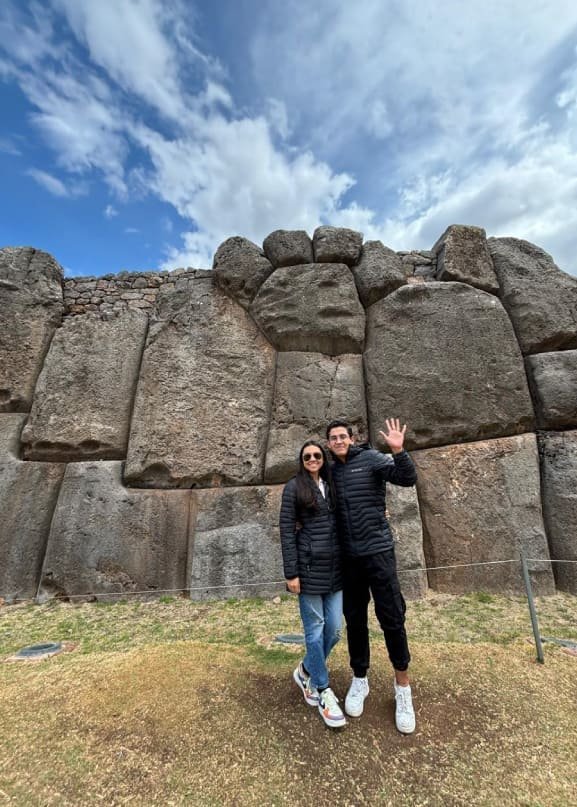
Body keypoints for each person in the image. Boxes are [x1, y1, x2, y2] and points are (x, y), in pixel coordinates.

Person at [326, 417, 417, 734]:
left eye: (343, 436)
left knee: (391, 616)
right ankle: (360, 678)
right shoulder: (329, 471)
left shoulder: (372, 459)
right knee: (355, 619)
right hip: (348, 558)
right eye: (333, 438)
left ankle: (402, 687)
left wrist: (399, 451)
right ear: (328, 444)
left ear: (351, 438)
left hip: (378, 552)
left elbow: (407, 478)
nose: (339, 441)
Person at [279, 440, 346, 729]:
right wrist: (291, 573)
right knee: (315, 630)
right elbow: (286, 531)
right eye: (307, 456)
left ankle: (305, 669)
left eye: (317, 455)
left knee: (335, 629)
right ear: (301, 460)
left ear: (323, 457)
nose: (312, 459)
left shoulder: (332, 484)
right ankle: (322, 688)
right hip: (308, 569)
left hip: (335, 569)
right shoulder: (294, 487)